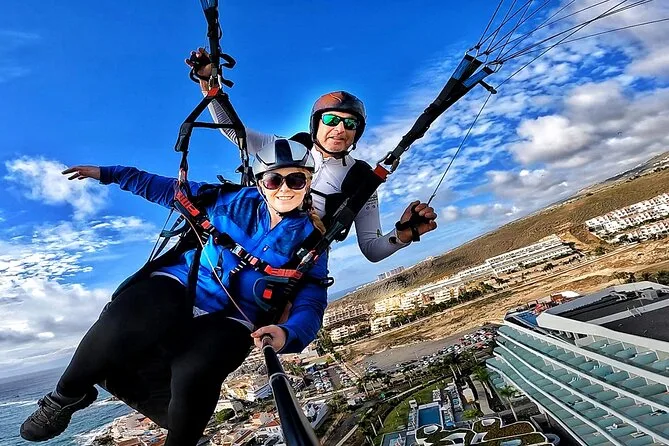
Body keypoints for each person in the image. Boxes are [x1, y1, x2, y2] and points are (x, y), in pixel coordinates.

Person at [20, 139, 329, 446]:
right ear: (261, 183)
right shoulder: (227, 200)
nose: (284, 189)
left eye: (296, 180)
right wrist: (109, 173)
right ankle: (64, 397)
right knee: (124, 318)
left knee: (196, 369)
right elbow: (165, 189)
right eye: (274, 180)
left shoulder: (311, 241)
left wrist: (288, 333)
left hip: (237, 314)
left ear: (307, 184)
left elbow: (311, 301)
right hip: (184, 282)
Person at [186, 49, 438, 262]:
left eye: (350, 124)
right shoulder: (286, 148)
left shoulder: (362, 180)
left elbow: (371, 249)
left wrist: (403, 234)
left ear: (357, 133)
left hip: (289, 264)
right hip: (239, 239)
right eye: (331, 120)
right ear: (316, 124)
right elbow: (235, 133)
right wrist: (209, 84)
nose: (340, 129)